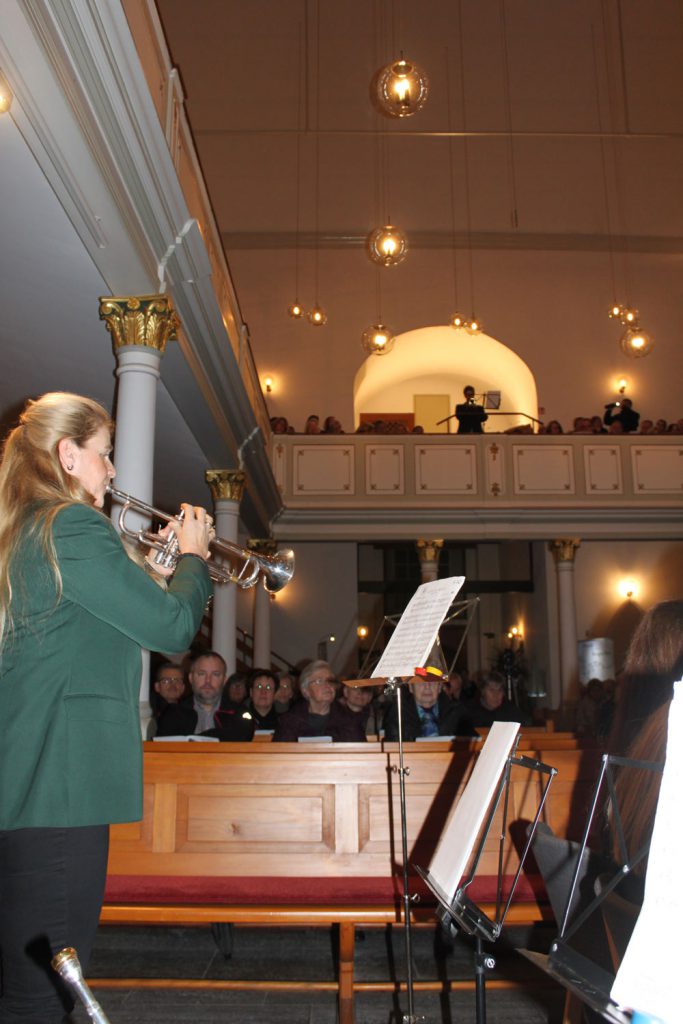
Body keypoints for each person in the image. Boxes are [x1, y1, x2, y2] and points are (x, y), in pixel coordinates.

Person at [0, 391, 213, 1023]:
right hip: (61, 786)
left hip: (35, 783)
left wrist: (160, 565)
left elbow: (96, 622)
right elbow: (172, 629)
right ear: (69, 454)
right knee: (46, 996)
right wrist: (196, 558)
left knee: (30, 989)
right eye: (105, 455)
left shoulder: (31, 526)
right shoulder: (70, 524)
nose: (114, 471)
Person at [156, 651, 254, 741]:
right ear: (191, 678)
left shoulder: (240, 713)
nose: (208, 681)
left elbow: (243, 737)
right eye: (201, 674)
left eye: (215, 674)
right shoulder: (174, 714)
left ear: (224, 680)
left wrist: (193, 740)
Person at [274, 660, 366, 742]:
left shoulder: (349, 720)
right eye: (319, 681)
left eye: (330, 681)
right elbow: (278, 757)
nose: (327, 685)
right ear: (305, 691)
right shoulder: (289, 721)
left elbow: (362, 756)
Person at [382, 671, 467, 741]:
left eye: (432, 682)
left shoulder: (456, 711)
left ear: (440, 687)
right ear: (411, 687)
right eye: (421, 682)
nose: (427, 687)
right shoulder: (398, 713)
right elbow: (393, 745)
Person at [460, 670, 529, 730]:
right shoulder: (468, 711)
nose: (496, 695)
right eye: (491, 690)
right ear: (483, 691)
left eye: (499, 690)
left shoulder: (511, 712)